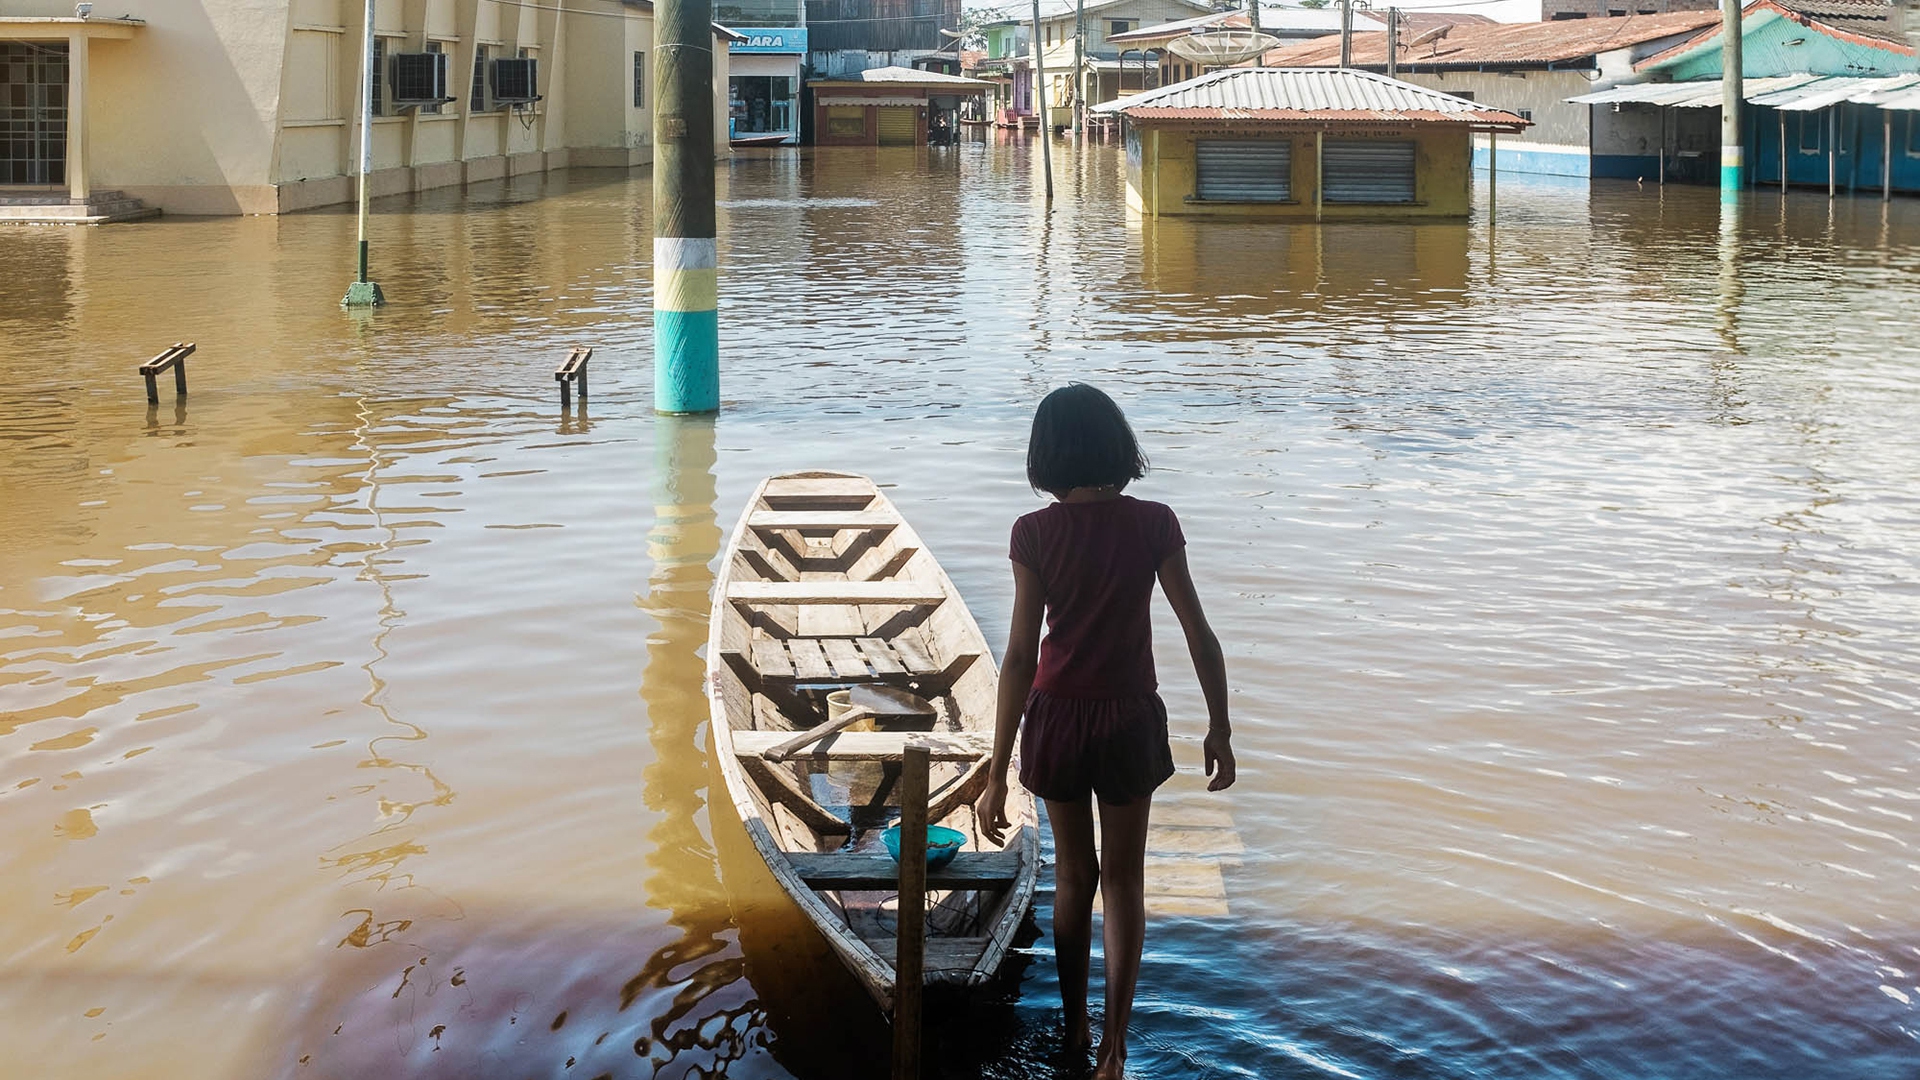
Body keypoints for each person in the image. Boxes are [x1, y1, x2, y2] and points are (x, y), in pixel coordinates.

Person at [977, 384, 1236, 1080]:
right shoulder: (1154, 523)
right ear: (1118, 449)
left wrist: (997, 770)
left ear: (1046, 456)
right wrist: (1220, 728)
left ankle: (1073, 1028)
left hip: (1057, 717)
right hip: (1127, 717)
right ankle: (1113, 1050)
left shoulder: (1032, 533)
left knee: (1073, 879)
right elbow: (1200, 636)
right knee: (1124, 882)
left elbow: (1020, 658)